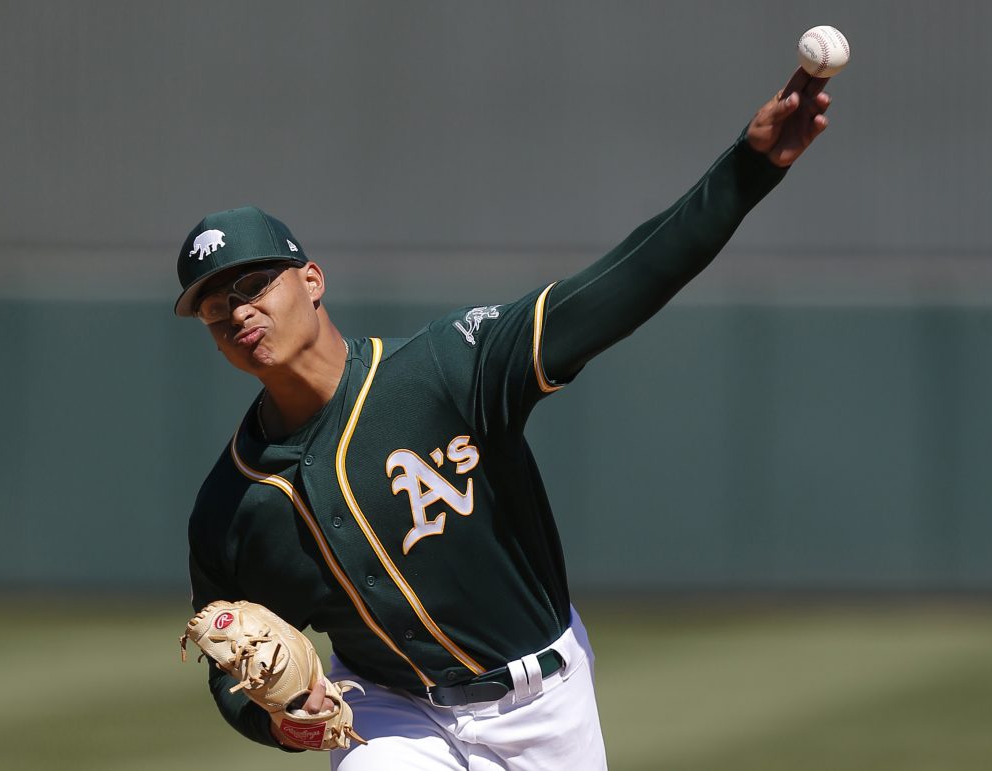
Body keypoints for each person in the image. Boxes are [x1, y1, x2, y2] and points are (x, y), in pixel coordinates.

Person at [175, 67, 833, 770]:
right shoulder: (231, 505)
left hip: (543, 700)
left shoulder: (446, 369)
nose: (236, 308)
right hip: (390, 711)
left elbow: (621, 285)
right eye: (214, 303)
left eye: (253, 282)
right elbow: (227, 660)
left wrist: (749, 169)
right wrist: (275, 718)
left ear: (311, 280)